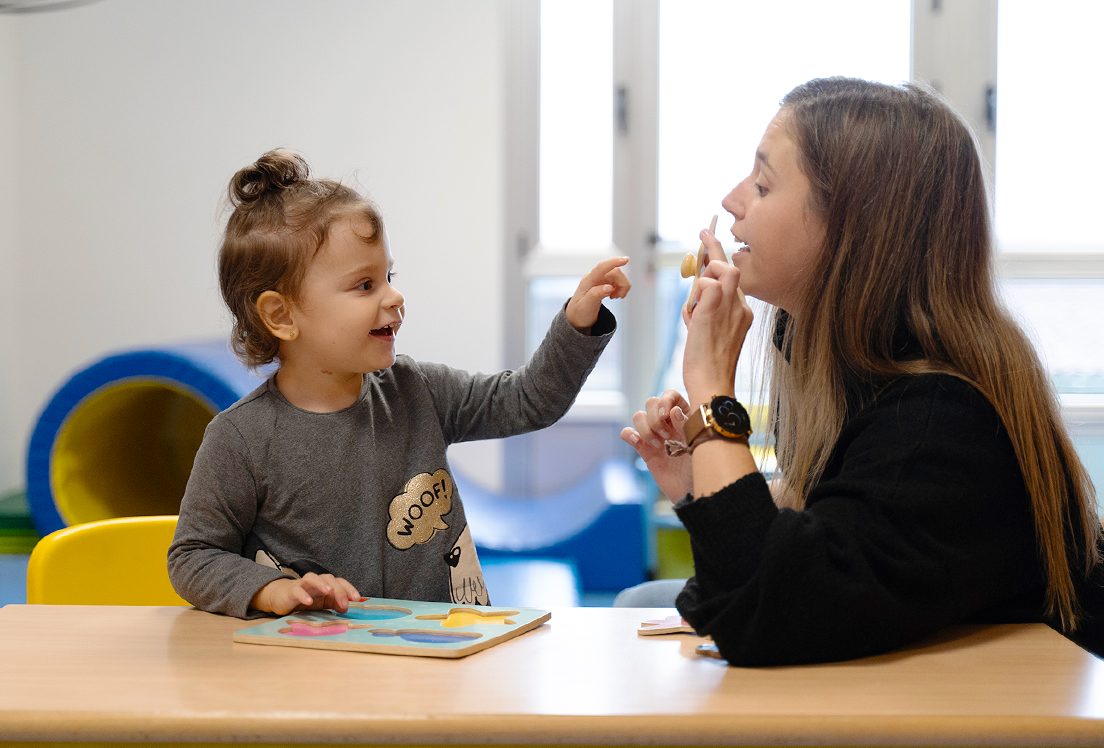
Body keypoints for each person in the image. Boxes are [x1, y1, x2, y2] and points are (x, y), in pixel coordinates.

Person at [621, 77, 1104, 666]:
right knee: (640, 600)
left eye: (764, 182)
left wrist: (711, 397)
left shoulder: (939, 421)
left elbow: (764, 616)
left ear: (853, 226)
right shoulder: (849, 366)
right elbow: (834, 533)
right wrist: (700, 480)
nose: (732, 201)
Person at [168, 149, 630, 618]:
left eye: (387, 276)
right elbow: (194, 556)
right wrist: (270, 588)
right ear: (282, 315)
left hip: (442, 654)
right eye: (364, 285)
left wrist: (577, 324)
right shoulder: (241, 439)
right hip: (319, 672)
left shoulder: (415, 389)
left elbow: (527, 401)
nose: (395, 295)